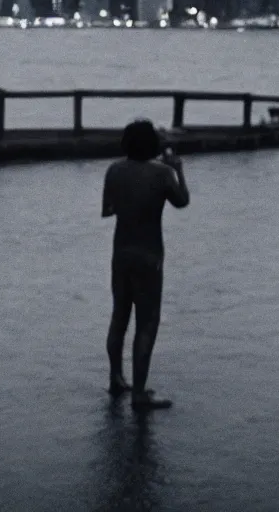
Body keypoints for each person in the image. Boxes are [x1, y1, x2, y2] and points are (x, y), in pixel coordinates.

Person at [101, 120, 189, 411]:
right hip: (149, 256)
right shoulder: (162, 173)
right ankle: (139, 393)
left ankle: (116, 377)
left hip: (121, 253)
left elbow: (108, 210)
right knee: (147, 323)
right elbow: (182, 201)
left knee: (119, 317)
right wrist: (178, 169)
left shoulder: (114, 170)